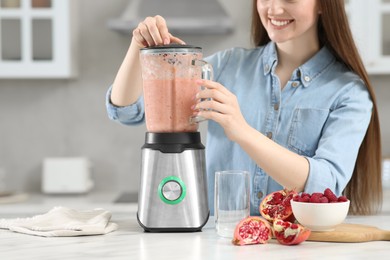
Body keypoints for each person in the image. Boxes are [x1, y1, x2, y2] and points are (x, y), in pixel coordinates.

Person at [106, 0, 382, 215]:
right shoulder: (225, 66)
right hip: (216, 242)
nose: (274, 8)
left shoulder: (348, 92)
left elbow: (326, 185)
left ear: (323, 4)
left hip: (296, 247)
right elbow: (128, 110)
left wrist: (242, 131)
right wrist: (137, 47)